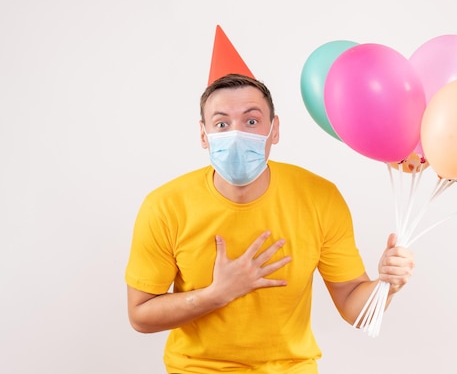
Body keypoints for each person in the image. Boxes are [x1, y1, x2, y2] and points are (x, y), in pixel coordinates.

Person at [125, 73, 415, 373]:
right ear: (203, 135)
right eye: (222, 124)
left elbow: (358, 313)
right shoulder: (164, 206)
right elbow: (140, 316)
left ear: (274, 129)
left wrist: (387, 285)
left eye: (251, 122)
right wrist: (216, 295)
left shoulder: (319, 198)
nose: (237, 134)